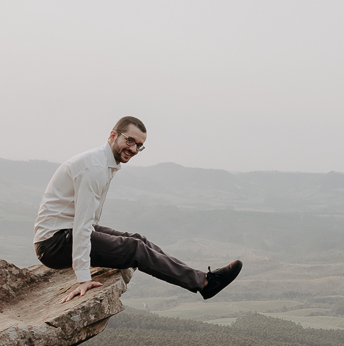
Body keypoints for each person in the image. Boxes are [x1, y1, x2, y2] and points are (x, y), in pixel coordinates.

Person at [33, 116, 241, 303]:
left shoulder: (103, 162)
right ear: (113, 135)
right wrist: (84, 278)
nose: (133, 149)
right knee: (134, 249)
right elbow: (82, 227)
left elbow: (85, 223)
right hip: (54, 244)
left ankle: (202, 278)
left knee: (138, 239)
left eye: (139, 146)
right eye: (129, 141)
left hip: (64, 234)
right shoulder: (93, 168)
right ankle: (204, 283)